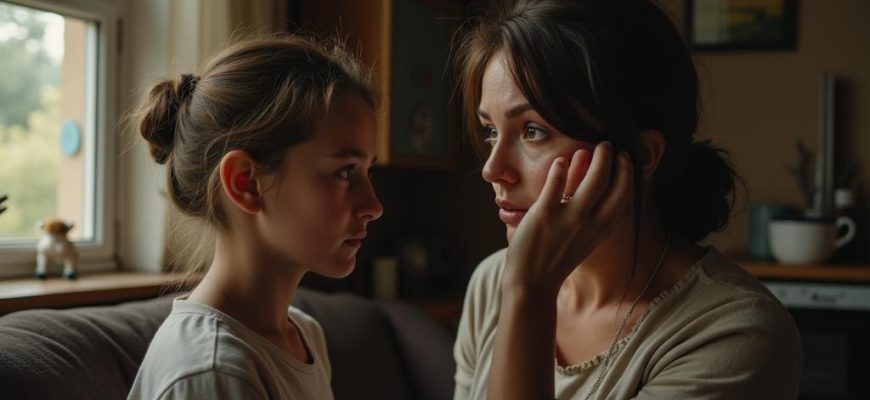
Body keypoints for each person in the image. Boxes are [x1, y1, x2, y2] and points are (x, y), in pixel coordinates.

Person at [451, 0, 802, 399]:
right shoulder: (492, 282)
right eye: (490, 131)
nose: (493, 169)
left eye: (533, 131)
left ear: (641, 155)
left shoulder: (735, 336)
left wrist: (529, 294)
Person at [127, 35, 383, 399]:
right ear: (245, 183)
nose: (374, 205)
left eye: (368, 172)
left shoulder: (305, 335)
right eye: (345, 172)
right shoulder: (215, 371)